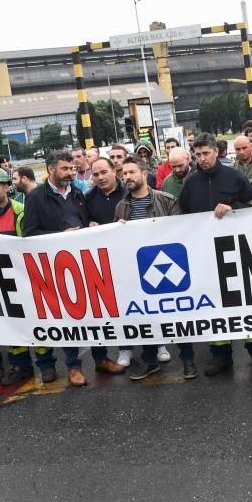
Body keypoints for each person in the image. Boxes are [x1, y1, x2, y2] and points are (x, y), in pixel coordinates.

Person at [179, 133, 252, 375]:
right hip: (205, 256)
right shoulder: (190, 183)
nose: (202, 159)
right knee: (213, 305)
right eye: (197, 155)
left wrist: (232, 208)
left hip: (236, 254)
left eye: (206, 153)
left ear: (216, 152)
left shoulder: (234, 176)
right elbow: (184, 218)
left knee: (245, 303)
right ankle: (220, 355)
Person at [0, 167, 63, 385]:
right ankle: (21, 366)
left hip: (25, 279)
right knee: (11, 324)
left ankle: (46, 364)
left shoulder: (22, 211)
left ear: (5, 187)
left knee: (36, 321)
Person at [114, 157, 194, 380]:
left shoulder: (167, 200)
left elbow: (180, 232)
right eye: (124, 173)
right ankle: (150, 362)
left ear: (144, 173)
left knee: (177, 317)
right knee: (146, 319)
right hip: (139, 271)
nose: (127, 177)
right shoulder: (121, 207)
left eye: (131, 172)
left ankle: (188, 360)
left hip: (169, 266)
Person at [23, 151, 98, 387]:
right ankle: (74, 367)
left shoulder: (77, 193)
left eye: (72, 169)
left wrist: (90, 227)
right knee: (69, 317)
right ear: (51, 169)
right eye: (65, 169)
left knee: (95, 312)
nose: (70, 173)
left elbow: (83, 221)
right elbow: (30, 233)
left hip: (84, 262)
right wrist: (59, 237)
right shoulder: (35, 197)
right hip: (57, 266)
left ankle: (102, 357)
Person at [84, 157, 138, 372]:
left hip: (133, 256)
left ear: (113, 171)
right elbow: (83, 223)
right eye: (95, 174)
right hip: (106, 262)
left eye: (103, 172)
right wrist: (90, 224)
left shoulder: (129, 191)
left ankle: (158, 342)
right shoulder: (87, 198)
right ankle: (125, 347)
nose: (100, 177)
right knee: (119, 306)